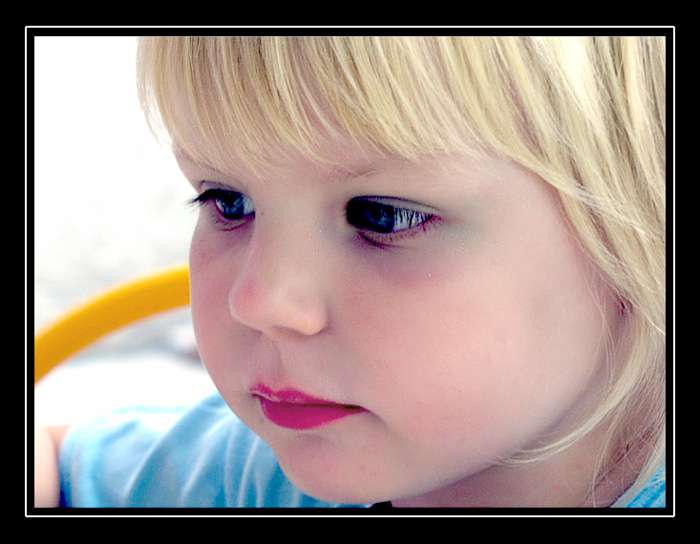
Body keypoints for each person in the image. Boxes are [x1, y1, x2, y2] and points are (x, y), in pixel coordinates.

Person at [35, 36, 667, 509]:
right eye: (228, 202)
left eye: (384, 215)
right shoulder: (250, 473)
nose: (258, 300)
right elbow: (59, 462)